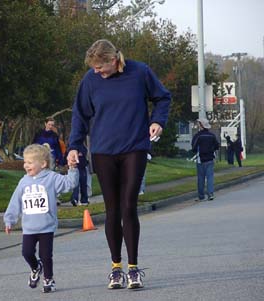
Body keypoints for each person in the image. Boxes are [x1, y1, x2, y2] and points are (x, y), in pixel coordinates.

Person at [67, 39, 171, 290]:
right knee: (112, 209)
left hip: (134, 147)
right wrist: (74, 146)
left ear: (114, 60)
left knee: (128, 205)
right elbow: (80, 114)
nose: (96, 71)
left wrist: (158, 121)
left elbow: (162, 98)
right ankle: (116, 268)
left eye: (100, 66)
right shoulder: (90, 81)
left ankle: (133, 269)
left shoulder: (140, 72)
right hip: (103, 150)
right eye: (93, 67)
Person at [4, 144, 78, 293]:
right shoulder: (23, 182)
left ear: (43, 164)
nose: (26, 165)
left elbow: (69, 184)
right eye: (25, 162)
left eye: (30, 163)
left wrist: (72, 169)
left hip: (46, 226)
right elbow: (15, 201)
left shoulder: (52, 178)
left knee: (46, 255)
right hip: (29, 228)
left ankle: (48, 279)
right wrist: (9, 219)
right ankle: (36, 268)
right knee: (27, 253)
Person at [191, 117, 219, 201]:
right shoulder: (212, 135)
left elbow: (194, 147)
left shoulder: (198, 136)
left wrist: (195, 151)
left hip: (201, 159)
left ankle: (201, 196)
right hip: (210, 158)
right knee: (210, 177)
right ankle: (210, 194)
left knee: (201, 178)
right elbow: (217, 145)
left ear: (201, 125)